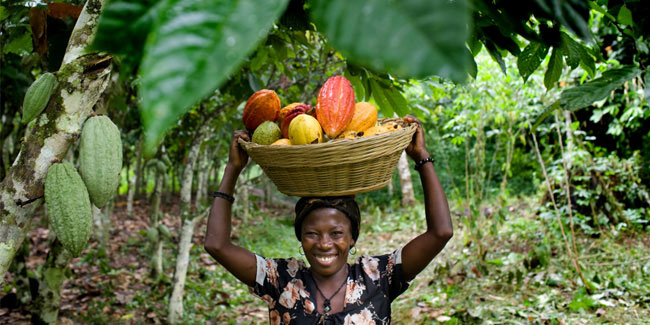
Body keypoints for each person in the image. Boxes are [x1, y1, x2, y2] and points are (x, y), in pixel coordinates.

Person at [204, 116, 453, 324]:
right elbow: (217, 245)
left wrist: (422, 158)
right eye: (312, 233)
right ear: (300, 237)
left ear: (352, 237)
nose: (324, 243)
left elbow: (441, 233)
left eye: (336, 233)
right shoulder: (281, 281)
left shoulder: (378, 277)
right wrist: (233, 168)